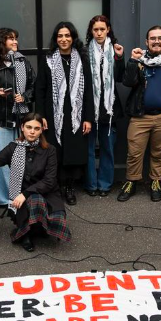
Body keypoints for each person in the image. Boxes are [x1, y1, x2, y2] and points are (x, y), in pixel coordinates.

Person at [117, 25, 161, 203]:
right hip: (140, 116)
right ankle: (132, 182)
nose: (156, 41)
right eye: (153, 38)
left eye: (160, 38)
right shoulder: (139, 61)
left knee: (159, 152)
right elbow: (128, 82)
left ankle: (155, 182)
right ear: (146, 42)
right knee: (134, 152)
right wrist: (133, 61)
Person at [0, 113, 71, 252]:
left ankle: (40, 225)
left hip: (46, 192)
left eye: (36, 128)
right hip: (20, 197)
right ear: (22, 127)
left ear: (41, 130)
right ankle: (26, 235)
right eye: (29, 127)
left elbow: (49, 181)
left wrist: (25, 194)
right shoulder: (13, 148)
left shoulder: (50, 150)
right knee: (35, 202)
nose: (32, 131)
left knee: (43, 206)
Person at [35, 21, 94, 206]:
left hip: (76, 115)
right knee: (55, 152)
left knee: (74, 153)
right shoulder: (48, 60)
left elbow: (88, 92)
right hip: (54, 115)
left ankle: (69, 187)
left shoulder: (82, 59)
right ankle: (56, 187)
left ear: (73, 37)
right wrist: (41, 115)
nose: (64, 39)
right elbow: (40, 89)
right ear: (55, 39)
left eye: (67, 35)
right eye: (60, 36)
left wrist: (88, 118)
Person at [0, 27, 35, 206]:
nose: (15, 42)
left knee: (22, 161)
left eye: (16, 38)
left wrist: (24, 96)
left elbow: (34, 87)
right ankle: (4, 199)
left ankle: (20, 197)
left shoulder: (23, 63)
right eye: (11, 39)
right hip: (0, 121)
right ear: (1, 42)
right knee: (2, 163)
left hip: (21, 121)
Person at [84, 15, 125, 197]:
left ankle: (105, 184)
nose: (99, 33)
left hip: (109, 108)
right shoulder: (85, 52)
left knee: (108, 148)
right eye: (96, 29)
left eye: (102, 29)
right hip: (90, 107)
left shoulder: (115, 50)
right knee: (89, 149)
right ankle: (91, 184)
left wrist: (120, 57)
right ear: (91, 31)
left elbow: (122, 77)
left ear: (108, 29)